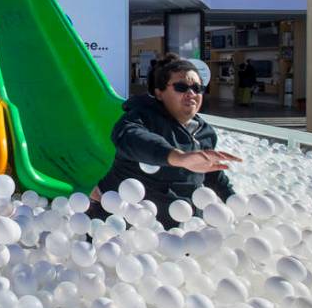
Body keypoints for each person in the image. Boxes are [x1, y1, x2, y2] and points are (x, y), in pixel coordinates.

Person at [89, 56, 242, 229]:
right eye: (181, 87)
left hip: (180, 229)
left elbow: (211, 174)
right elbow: (129, 137)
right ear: (159, 93)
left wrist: (237, 204)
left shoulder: (205, 133)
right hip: (128, 226)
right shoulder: (141, 118)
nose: (191, 93)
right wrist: (177, 157)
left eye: (197, 88)